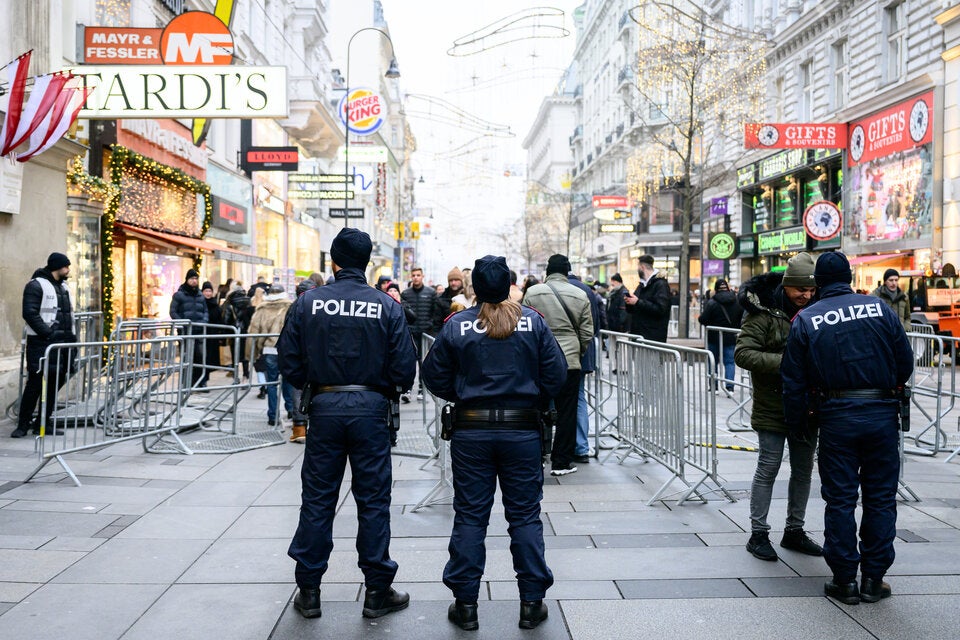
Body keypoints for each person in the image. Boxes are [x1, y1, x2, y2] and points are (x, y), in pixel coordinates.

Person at [421, 255, 567, 631]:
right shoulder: (533, 322)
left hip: (472, 432)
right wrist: (531, 394)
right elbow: (556, 374)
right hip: (522, 432)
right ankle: (531, 604)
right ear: (508, 285)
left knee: (471, 515)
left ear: (475, 288)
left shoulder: (457, 325)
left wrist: (466, 392)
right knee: (524, 516)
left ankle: (466, 604)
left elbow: (433, 375)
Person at [278, 227, 417, 621]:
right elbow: (406, 368)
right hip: (371, 408)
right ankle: (376, 590)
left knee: (318, 498)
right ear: (367, 262)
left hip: (324, 405)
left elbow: (288, 359)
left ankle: (309, 590)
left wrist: (315, 381)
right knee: (373, 500)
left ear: (333, 262)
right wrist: (384, 386)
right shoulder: (386, 306)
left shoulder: (308, 303)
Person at [782, 251, 913, 606]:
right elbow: (905, 361)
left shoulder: (807, 319)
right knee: (881, 497)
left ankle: (844, 580)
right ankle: (873, 578)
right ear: (850, 276)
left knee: (840, 499)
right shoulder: (880, 309)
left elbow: (793, 381)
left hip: (837, 416)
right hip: (882, 415)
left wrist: (800, 426)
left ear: (817, 283)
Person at [735, 253, 822, 563]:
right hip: (772, 404)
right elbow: (743, 354)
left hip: (807, 407)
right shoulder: (762, 312)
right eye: (800, 289)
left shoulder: (817, 310)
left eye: (811, 290)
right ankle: (758, 534)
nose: (806, 295)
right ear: (786, 285)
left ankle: (794, 530)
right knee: (768, 468)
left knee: (803, 470)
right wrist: (788, 364)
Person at [522, 254, 593, 476]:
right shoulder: (580, 294)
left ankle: (537, 456)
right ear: (567, 271)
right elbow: (587, 332)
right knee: (567, 411)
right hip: (569, 361)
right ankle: (562, 462)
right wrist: (577, 351)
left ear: (548, 271)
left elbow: (525, 324)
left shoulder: (533, 293)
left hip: (540, 361)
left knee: (537, 408)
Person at [11, 252, 75, 438]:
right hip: (42, 343)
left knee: (55, 384)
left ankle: (43, 423)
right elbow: (29, 313)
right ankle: (22, 424)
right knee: (35, 384)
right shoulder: (36, 285)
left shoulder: (64, 288)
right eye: (66, 266)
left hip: (62, 344)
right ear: (57, 267)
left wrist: (72, 340)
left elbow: (67, 316)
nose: (68, 270)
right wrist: (48, 333)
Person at [567, 272, 602, 463]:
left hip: (555, 355)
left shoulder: (546, 290)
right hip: (581, 354)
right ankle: (581, 446)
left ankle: (552, 446)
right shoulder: (586, 290)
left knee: (555, 400)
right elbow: (594, 325)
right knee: (579, 398)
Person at [249, 285, 293, 426]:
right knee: (288, 381)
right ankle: (291, 409)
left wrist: (252, 353)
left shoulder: (262, 309)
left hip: (269, 350)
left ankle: (272, 416)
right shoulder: (290, 307)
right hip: (286, 351)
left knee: (272, 384)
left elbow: (253, 333)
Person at [698, 279, 744, 392]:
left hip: (713, 337)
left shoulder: (712, 302)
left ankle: (714, 386)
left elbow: (703, 319)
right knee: (729, 362)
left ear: (716, 289)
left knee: (712, 361)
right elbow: (741, 318)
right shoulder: (736, 302)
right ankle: (730, 387)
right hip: (731, 337)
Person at [400, 266, 437, 401]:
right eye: (413, 275)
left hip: (425, 333)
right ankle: (408, 389)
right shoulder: (405, 293)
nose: (416, 277)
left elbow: (435, 312)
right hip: (410, 333)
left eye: (418, 275)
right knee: (409, 362)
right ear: (411, 277)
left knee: (423, 362)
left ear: (422, 276)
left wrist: (430, 326)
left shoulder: (431, 293)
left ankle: (421, 388)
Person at [169, 268, 209, 388]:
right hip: (185, 332)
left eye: (196, 278)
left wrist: (204, 321)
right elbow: (173, 311)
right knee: (186, 357)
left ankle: (200, 382)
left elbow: (205, 311)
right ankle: (186, 382)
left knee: (199, 357)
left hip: (198, 331)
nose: (194, 281)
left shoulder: (200, 295)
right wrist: (183, 322)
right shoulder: (179, 295)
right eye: (192, 278)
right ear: (187, 280)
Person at [624, 254, 672, 342]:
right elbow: (633, 309)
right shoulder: (641, 285)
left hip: (652, 338)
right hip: (639, 336)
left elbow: (660, 309)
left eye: (638, 267)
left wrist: (637, 302)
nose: (637, 270)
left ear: (642, 267)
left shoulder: (661, 285)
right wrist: (629, 302)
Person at [198, 281, 223, 388]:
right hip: (200, 334)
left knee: (208, 358)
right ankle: (200, 380)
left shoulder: (215, 304)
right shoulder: (199, 303)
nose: (208, 293)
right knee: (200, 357)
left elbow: (219, 319)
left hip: (212, 336)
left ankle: (204, 380)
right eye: (206, 291)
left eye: (210, 291)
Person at [433, 267, 465, 333]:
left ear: (461, 281)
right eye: (451, 280)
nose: (453, 283)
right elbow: (437, 323)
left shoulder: (468, 297)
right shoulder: (441, 299)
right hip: (446, 335)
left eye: (456, 280)